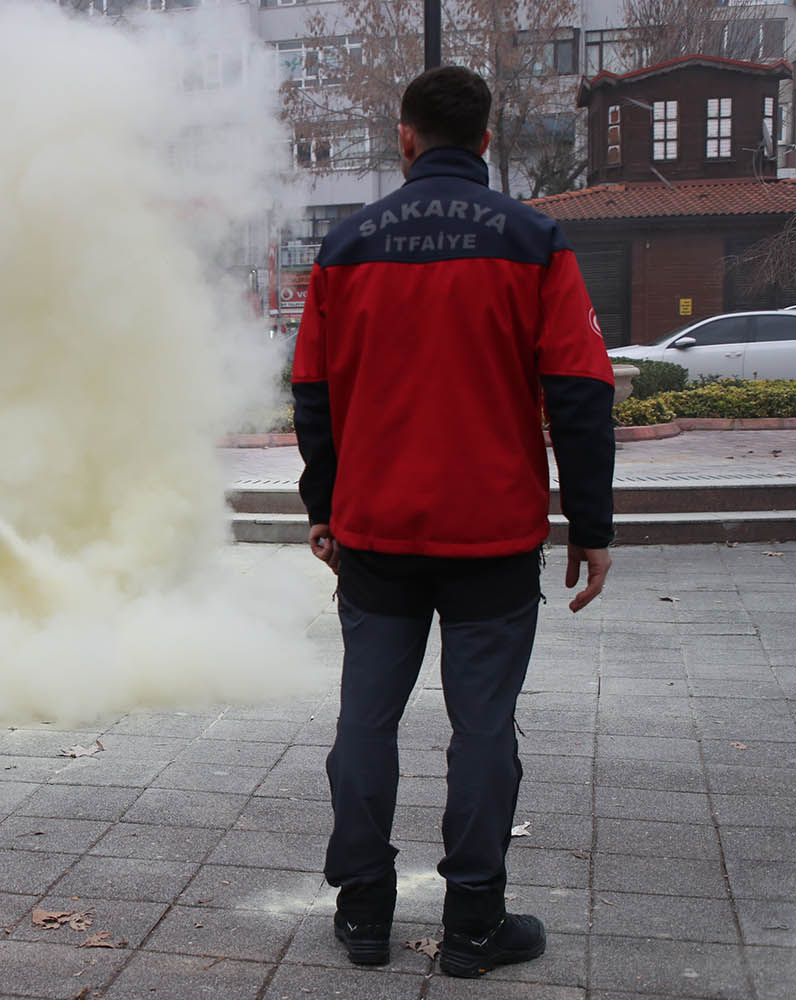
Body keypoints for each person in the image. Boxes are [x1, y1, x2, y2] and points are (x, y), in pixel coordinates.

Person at [289, 66, 615, 979]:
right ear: (485, 136)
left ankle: (362, 914)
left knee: (365, 719)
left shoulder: (346, 247)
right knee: (483, 730)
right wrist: (592, 523)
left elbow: (311, 391)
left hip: (378, 533)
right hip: (492, 536)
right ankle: (474, 924)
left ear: (405, 136)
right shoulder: (534, 239)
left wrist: (326, 506)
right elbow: (582, 391)